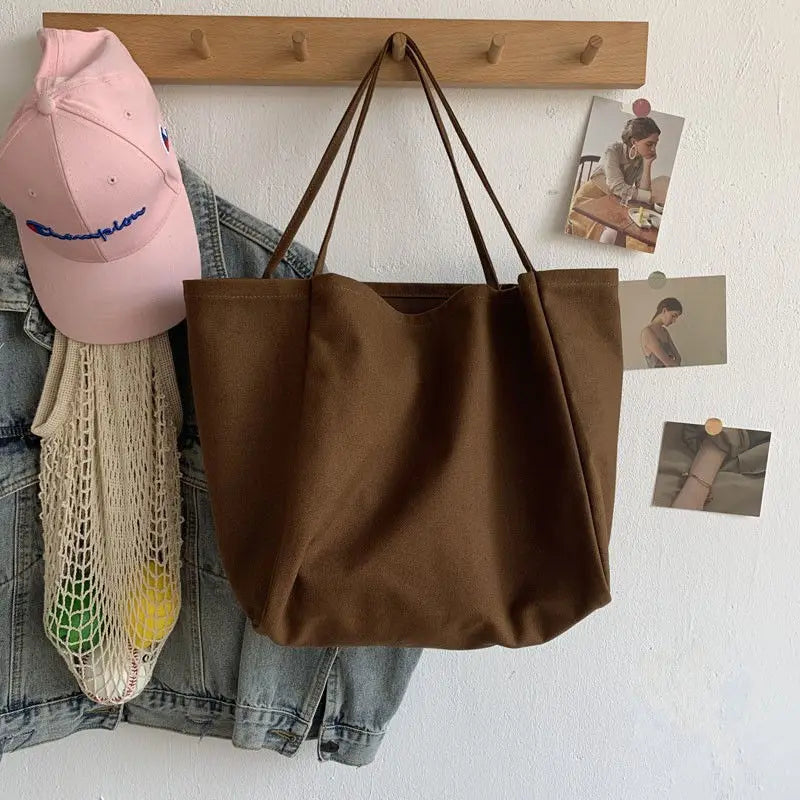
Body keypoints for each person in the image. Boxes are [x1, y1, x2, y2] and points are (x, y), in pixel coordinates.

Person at [567, 116, 662, 245]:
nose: (653, 150)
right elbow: (617, 187)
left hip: (615, 201)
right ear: (634, 141)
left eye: (655, 144)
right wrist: (646, 196)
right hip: (590, 201)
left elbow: (643, 192)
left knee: (623, 230)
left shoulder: (640, 159)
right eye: (649, 144)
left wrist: (647, 164)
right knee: (611, 232)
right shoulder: (612, 150)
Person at [641, 297, 682, 368]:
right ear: (664, 310)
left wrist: (672, 362)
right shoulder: (647, 332)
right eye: (673, 316)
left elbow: (678, 358)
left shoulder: (664, 332)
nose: (674, 321)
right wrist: (672, 361)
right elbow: (668, 363)